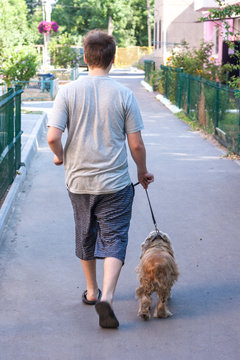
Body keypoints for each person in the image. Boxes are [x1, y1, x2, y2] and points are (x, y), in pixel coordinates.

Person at [47, 29, 154, 329]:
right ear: (113, 58)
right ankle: (107, 295)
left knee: (86, 232)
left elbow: (53, 136)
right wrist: (142, 172)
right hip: (116, 183)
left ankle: (92, 291)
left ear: (84, 57)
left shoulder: (67, 92)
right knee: (115, 237)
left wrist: (60, 156)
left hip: (78, 182)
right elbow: (136, 145)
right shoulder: (123, 94)